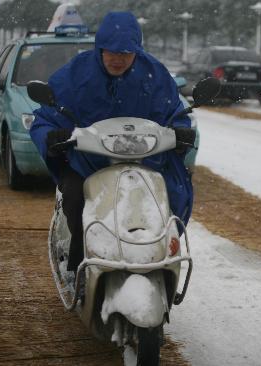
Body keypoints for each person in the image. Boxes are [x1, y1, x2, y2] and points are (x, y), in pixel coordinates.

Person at [30, 11, 194, 273]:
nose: (118, 59)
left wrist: (181, 131)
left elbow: (174, 111)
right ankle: (78, 266)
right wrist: (50, 135)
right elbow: (45, 118)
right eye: (112, 52)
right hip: (88, 164)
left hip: (146, 163)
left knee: (169, 196)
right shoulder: (74, 75)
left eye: (126, 53)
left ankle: (162, 260)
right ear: (100, 48)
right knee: (74, 197)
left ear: (137, 52)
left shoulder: (155, 75)